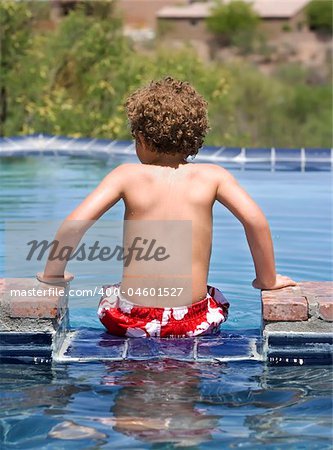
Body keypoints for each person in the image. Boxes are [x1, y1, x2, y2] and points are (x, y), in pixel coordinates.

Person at [37, 76, 296, 338]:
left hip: (131, 320)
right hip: (191, 321)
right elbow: (255, 221)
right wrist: (268, 280)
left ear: (143, 138)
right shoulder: (213, 176)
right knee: (210, 306)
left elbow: (76, 224)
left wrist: (53, 274)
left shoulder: (125, 175)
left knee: (113, 296)